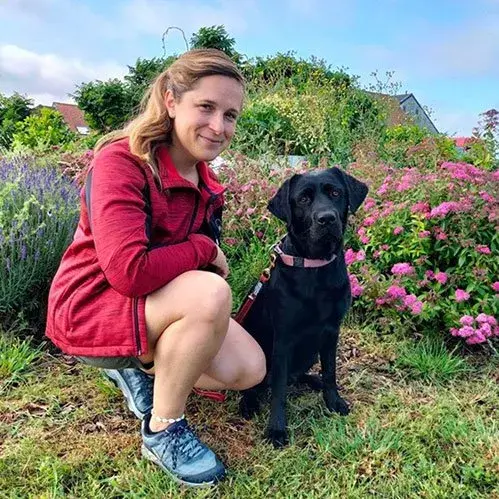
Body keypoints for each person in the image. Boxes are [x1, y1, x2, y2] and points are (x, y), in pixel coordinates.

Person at [45, 48, 266, 487]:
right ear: (171, 101)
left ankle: (139, 368)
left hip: (150, 305)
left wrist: (202, 258)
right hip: (92, 306)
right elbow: (129, 272)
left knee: (249, 368)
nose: (218, 126)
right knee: (210, 294)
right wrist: (203, 248)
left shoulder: (207, 184)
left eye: (230, 115)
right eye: (206, 107)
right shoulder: (122, 162)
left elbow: (190, 274)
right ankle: (163, 429)